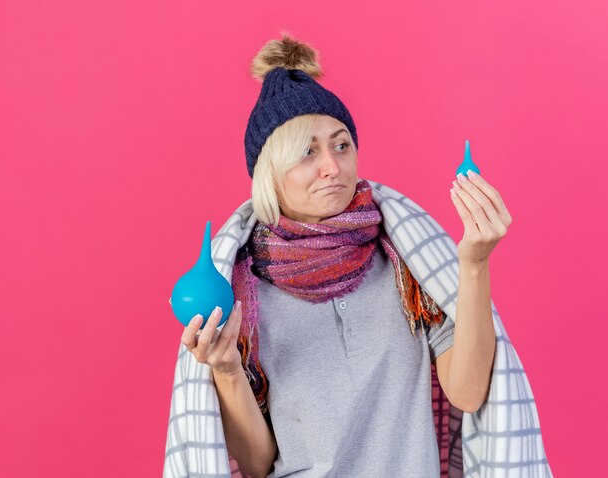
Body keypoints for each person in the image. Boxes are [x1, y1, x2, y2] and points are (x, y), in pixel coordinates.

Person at [165, 32, 553, 478]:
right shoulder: (244, 290)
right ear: (269, 174)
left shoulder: (406, 266)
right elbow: (257, 464)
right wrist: (229, 369)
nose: (332, 165)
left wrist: (474, 264)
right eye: (307, 152)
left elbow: (466, 393)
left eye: (341, 144)